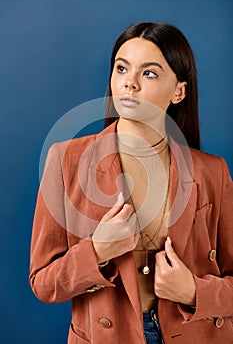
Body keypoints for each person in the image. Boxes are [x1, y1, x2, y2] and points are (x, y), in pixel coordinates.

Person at [29, 22, 233, 344]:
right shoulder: (66, 159)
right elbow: (43, 283)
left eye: (149, 73)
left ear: (179, 91)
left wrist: (194, 291)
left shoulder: (213, 172)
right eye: (122, 68)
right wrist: (97, 251)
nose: (130, 84)